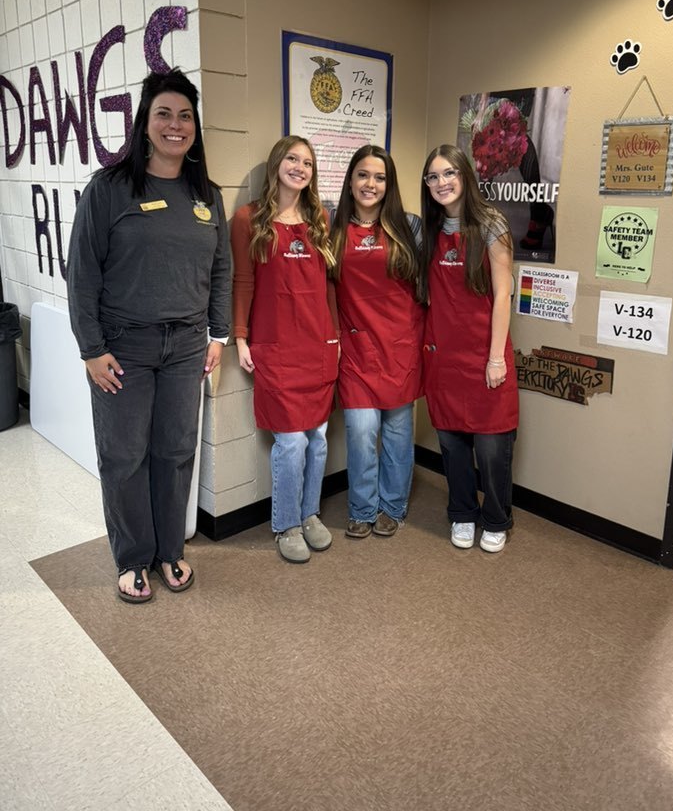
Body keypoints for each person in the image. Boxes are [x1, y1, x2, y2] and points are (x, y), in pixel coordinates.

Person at [67, 68, 231, 603]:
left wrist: (219, 335)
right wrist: (91, 349)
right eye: (164, 113)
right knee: (124, 455)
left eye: (185, 116)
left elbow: (221, 270)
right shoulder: (109, 189)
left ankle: (169, 552)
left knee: (176, 450)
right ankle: (134, 558)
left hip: (186, 346)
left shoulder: (206, 194)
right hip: (125, 348)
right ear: (144, 122)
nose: (175, 125)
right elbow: (83, 273)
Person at [231, 136, 338, 564]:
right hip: (275, 345)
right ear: (277, 164)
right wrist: (240, 336)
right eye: (292, 159)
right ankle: (286, 524)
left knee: (319, 438)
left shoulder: (319, 219)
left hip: (318, 343)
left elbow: (329, 285)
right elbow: (242, 280)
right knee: (291, 442)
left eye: (307, 162)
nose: (299, 167)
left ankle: (310, 513)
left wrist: (336, 338)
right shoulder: (248, 219)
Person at [419, 144, 519, 552]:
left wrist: (496, 357)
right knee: (452, 445)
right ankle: (462, 512)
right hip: (443, 355)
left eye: (449, 174)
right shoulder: (427, 229)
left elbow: (503, 293)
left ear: (465, 176)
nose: (441, 183)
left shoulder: (491, 225)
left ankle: (496, 518)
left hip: (485, 355)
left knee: (493, 446)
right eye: (433, 177)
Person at [329, 145, 424, 538]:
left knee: (399, 432)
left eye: (380, 177)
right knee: (362, 430)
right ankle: (362, 507)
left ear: (390, 184)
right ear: (350, 180)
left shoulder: (410, 226)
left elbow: (431, 283)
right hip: (355, 347)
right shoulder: (331, 227)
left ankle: (393, 506)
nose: (371, 184)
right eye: (364, 175)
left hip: (400, 344)